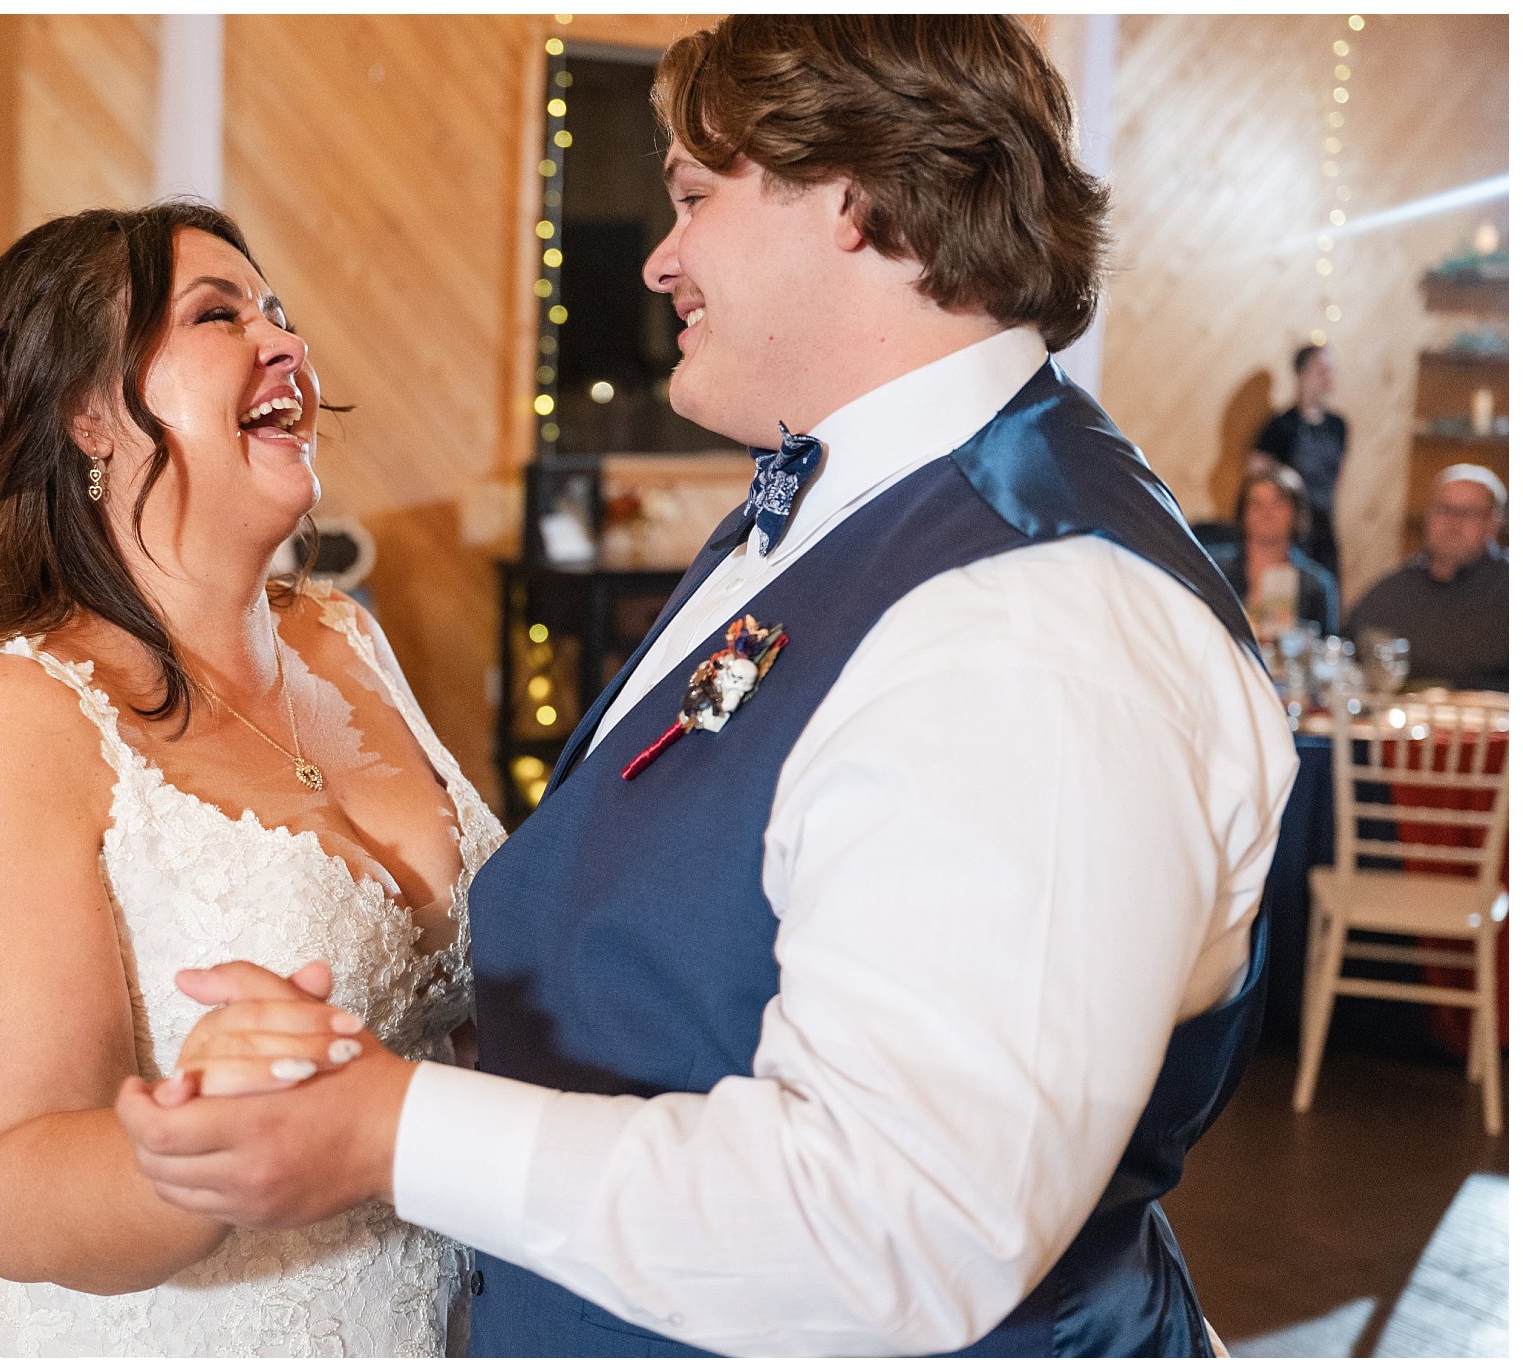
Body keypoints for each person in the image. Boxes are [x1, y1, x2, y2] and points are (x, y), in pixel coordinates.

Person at [116, 16, 1297, 1358]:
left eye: (691, 196)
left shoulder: (1033, 623)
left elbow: (898, 1229)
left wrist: (392, 1132)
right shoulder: (844, 506)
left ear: (850, 193)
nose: (660, 256)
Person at [0, 201, 503, 1355]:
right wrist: (206, 1144)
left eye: (278, 311)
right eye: (219, 316)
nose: (286, 343)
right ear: (86, 413)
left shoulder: (345, 638)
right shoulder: (2, 724)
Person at [1346, 464, 1509, 691]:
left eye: (1469, 513)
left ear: (1494, 524)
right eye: (1444, 509)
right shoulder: (1391, 591)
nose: (1453, 522)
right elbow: (1349, 659)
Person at [1207, 461, 1340, 638]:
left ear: (1296, 513)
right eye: (1256, 504)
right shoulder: (1212, 568)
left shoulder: (1317, 585)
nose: (1267, 513)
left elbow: (1326, 645)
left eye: (1278, 504)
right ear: (1243, 513)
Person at [1250, 343, 1347, 576]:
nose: (1327, 376)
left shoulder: (1338, 426)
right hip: (1289, 533)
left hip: (1324, 528)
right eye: (1321, 370)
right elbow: (1256, 475)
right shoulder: (1281, 426)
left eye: (1330, 370)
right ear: (1300, 374)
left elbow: (1335, 479)